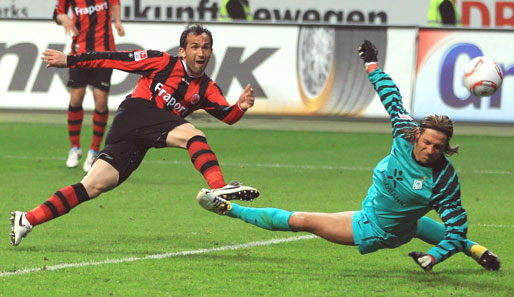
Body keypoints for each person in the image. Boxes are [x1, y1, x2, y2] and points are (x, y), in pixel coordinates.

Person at [195, 40, 501, 272]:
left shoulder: (444, 179)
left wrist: (432, 257)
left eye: (439, 147)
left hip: (376, 228)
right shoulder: (405, 130)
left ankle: (228, 208)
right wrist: (372, 64)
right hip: (398, 217)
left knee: (302, 220)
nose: (431, 150)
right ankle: (479, 252)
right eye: (428, 142)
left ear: (446, 148)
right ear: (418, 135)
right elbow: (391, 95)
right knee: (416, 223)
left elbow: (456, 228)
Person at [9, 24, 260, 247]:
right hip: (134, 115)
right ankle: (218, 187)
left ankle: (27, 219)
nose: (201, 53)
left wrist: (240, 106)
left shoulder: (206, 87)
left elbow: (228, 115)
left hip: (140, 138)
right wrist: (70, 60)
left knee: (94, 185)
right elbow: (113, 58)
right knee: (193, 135)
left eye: (206, 47)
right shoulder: (160, 61)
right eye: (194, 47)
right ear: (182, 51)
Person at [54, 0, 125, 172]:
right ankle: (75, 148)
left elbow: (115, 2)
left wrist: (117, 21)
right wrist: (64, 19)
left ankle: (94, 150)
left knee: (100, 101)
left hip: (104, 52)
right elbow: (57, 14)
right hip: (80, 51)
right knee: (76, 98)